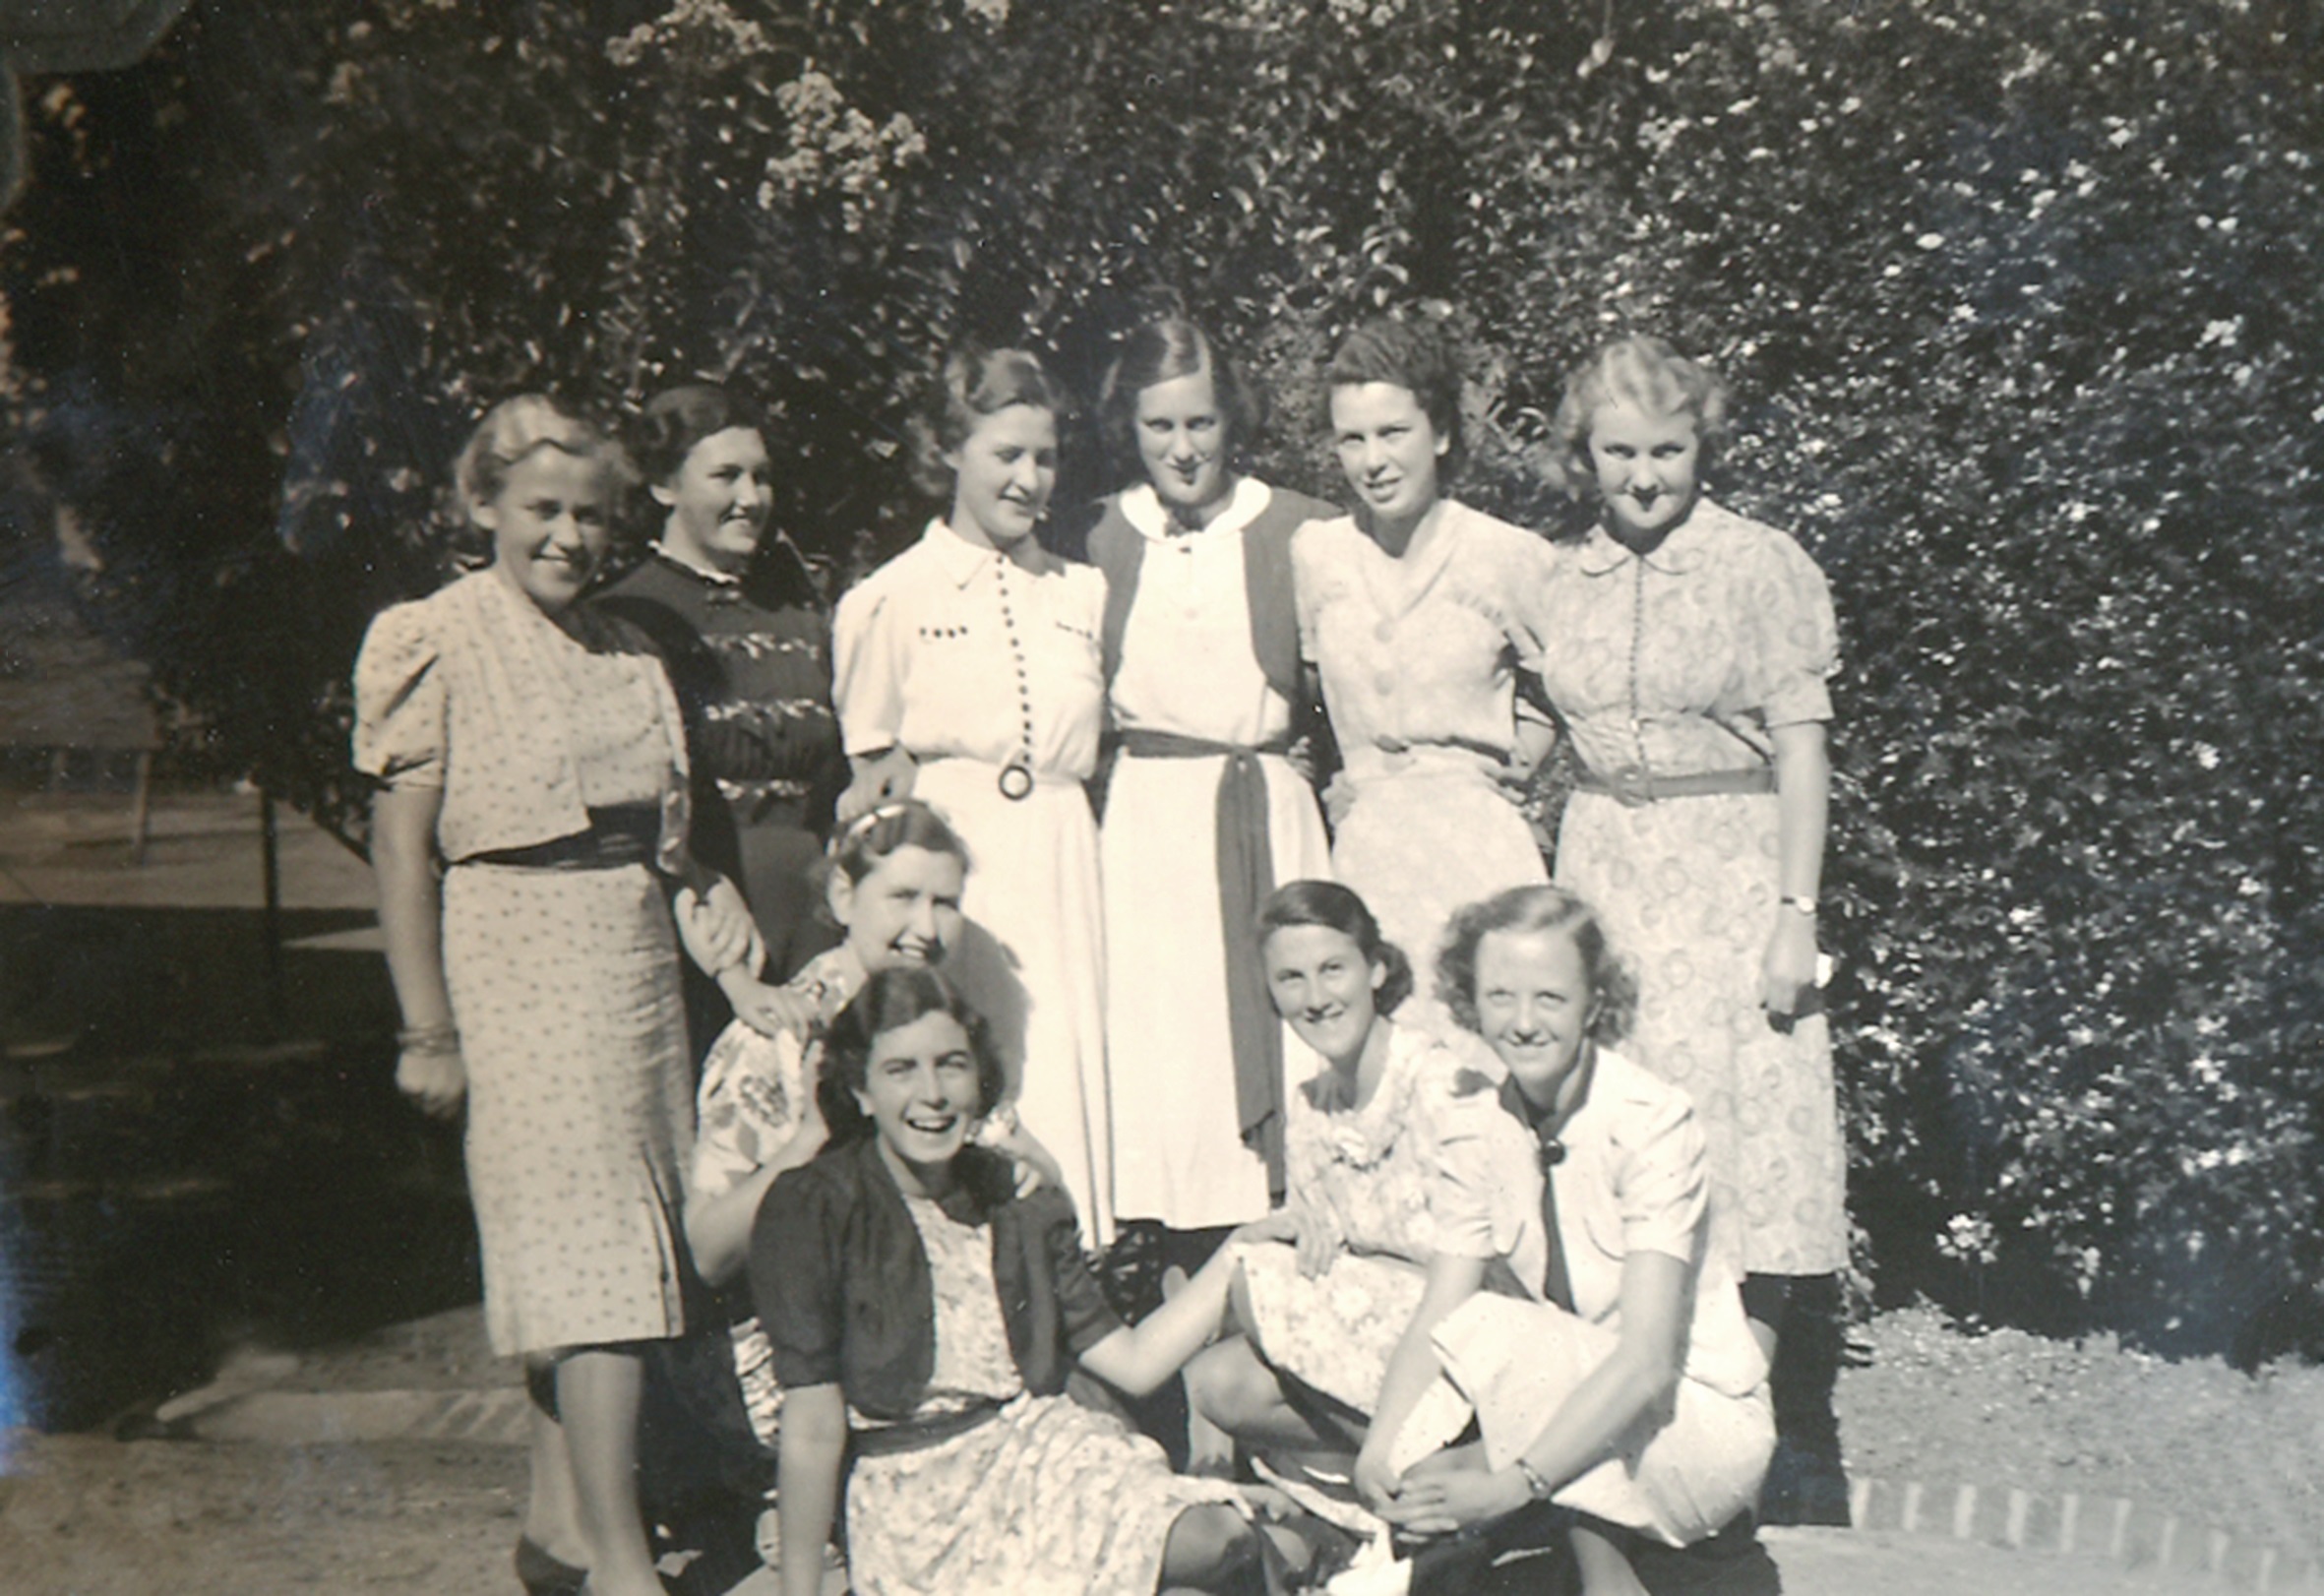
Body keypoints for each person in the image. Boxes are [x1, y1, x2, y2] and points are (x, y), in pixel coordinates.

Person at [354, 395, 762, 1596]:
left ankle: (559, 1529)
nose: (569, 537)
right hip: (517, 956)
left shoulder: (627, 648)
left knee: (604, 1252)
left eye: (591, 516)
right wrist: (425, 1028)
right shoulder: (436, 636)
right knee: (596, 1263)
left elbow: (664, 843)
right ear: (482, 503)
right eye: (542, 509)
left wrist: (726, 929)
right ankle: (623, 1559)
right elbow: (400, 848)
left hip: (632, 963)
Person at [1534, 335, 1849, 1521]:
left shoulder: (1759, 564)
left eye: (1666, 449)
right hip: (1603, 882)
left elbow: (1803, 752)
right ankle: (1625, 1448)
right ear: (1585, 455)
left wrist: (1794, 915)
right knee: (1615, 1148)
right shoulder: (1559, 578)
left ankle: (1729, 1452)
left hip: (1727, 880)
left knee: (1737, 1156)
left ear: (1701, 444)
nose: (1644, 475)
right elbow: (1534, 726)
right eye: (1619, 451)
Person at [753, 968, 1329, 1596]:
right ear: (861, 1091)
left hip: (1038, 1462)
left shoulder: (1017, 1198)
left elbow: (1134, 1363)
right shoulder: (815, 1207)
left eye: (951, 1065)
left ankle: (1294, 1552)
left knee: (1218, 1540)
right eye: (901, 1070)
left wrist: (1237, 1251)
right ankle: (1290, 1556)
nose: (932, 1093)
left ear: (979, 1078)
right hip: (912, 1506)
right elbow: (813, 1426)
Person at [1356, 886, 1774, 1596]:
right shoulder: (1473, 1124)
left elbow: (1645, 1362)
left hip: (1693, 1428)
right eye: (1500, 997)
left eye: (1549, 998)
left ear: (1593, 1004)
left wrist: (1513, 1486)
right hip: (1591, 1418)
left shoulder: (1649, 1121)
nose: (1523, 1023)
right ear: (1470, 1000)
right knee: (1424, 1481)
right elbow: (1438, 1313)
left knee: (1505, 1329)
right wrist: (1381, 1448)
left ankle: (1609, 1581)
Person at [829, 343, 1116, 1244]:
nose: (1029, 479)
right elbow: (872, 785)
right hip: (961, 877)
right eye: (1006, 454)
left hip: (1065, 858)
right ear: (951, 450)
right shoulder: (889, 598)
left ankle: (1073, 1270)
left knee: (1066, 1067)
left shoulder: (1083, 593)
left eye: (1046, 457)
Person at [1083, 316, 1338, 1276]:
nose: (1183, 448)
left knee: (1288, 1043)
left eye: (1201, 423)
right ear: (1130, 428)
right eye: (1160, 427)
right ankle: (1183, 1300)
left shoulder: (1300, 527)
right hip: (1149, 832)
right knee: (1171, 1067)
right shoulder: (1097, 536)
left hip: (1267, 813)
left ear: (1232, 418)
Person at [1293, 317, 1553, 1011]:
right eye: (1352, 439)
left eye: (1393, 433)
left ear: (1439, 433)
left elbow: (1567, 695)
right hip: (1367, 852)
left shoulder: (1508, 556)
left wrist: (1518, 766)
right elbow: (1306, 695)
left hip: (1480, 852)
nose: (1372, 461)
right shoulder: (1318, 555)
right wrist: (1334, 778)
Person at [1184, 881, 1467, 1476]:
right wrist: (1295, 1234)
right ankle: (1408, 1477)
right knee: (1218, 1380)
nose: (1315, 999)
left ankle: (1436, 1476)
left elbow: (1484, 1266)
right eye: (1291, 979)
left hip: (1463, 1329)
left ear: (1376, 969)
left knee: (1256, 1276)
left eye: (1333, 969)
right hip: (1377, 1339)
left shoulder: (1438, 1082)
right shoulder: (1311, 1109)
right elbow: (1319, 1255)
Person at [597, 381, 846, 999]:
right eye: (725, 477)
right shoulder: (624, 616)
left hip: (815, 912)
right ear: (665, 486)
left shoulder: (800, 613)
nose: (751, 498)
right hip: (699, 915)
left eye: (761, 477)